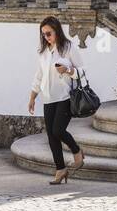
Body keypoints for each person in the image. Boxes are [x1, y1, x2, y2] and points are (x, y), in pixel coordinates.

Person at [28, 15, 85, 185]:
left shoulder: (68, 48)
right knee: (51, 136)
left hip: (65, 96)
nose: (46, 37)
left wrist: (68, 70)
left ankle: (77, 150)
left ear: (57, 31)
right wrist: (32, 97)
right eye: (44, 34)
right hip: (48, 97)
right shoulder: (44, 51)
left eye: (49, 33)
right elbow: (39, 76)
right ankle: (60, 169)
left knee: (58, 131)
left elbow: (82, 71)